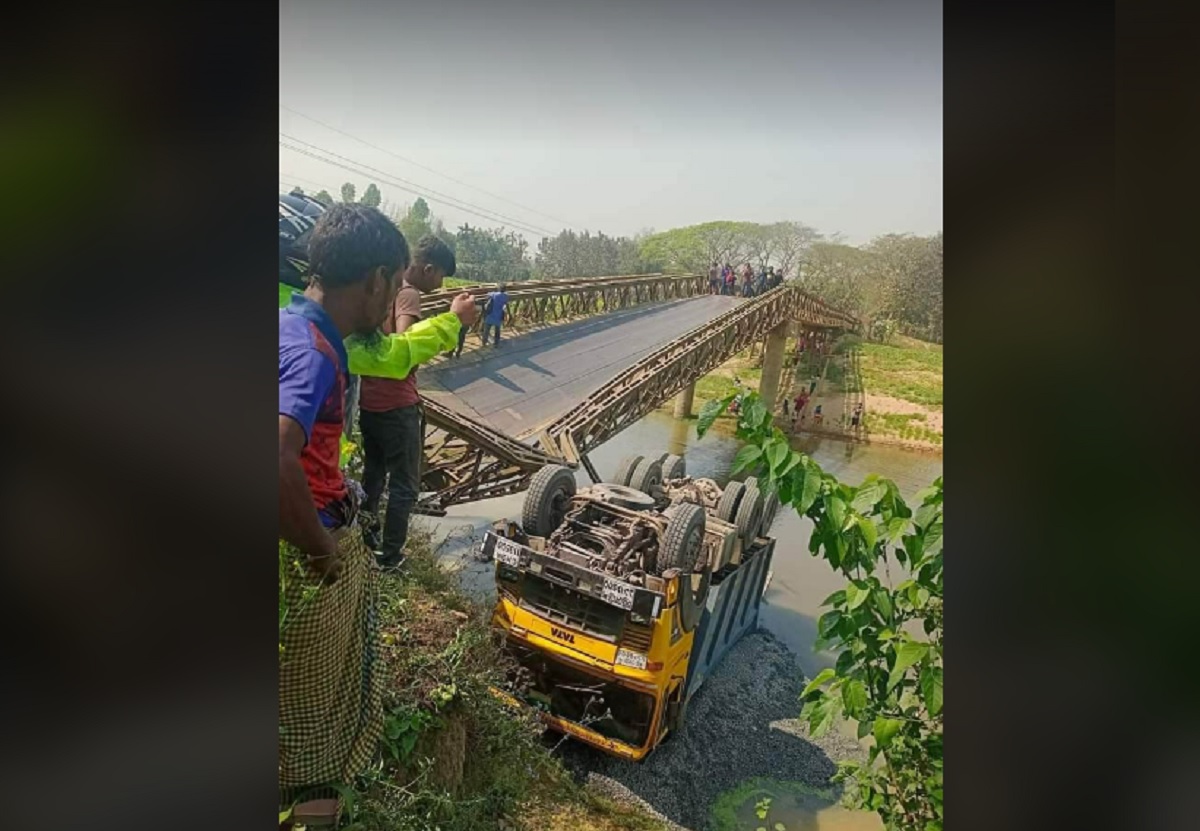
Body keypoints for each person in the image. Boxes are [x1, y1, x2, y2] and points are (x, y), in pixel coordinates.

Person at [278, 203, 477, 797]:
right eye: (393, 286)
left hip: (312, 524)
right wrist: (319, 550)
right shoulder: (314, 354)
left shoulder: (291, 323)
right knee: (314, 708)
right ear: (374, 282)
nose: (393, 300)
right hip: (308, 544)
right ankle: (310, 800)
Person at [357, 235, 457, 570]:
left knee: (373, 474)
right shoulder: (409, 294)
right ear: (428, 269)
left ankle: (364, 538)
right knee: (404, 486)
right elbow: (403, 344)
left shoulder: (379, 289)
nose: (441, 283)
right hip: (397, 406)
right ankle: (391, 558)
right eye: (441, 275)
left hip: (369, 402)